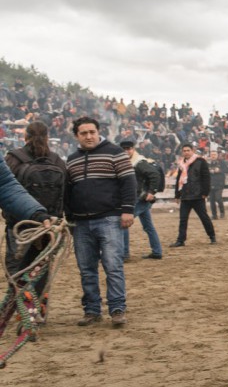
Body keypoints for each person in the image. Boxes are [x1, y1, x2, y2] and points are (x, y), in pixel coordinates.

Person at [65, 116, 136, 327]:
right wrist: (69, 217)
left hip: (109, 219)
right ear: (76, 136)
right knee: (86, 269)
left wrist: (128, 210)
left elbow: (128, 182)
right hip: (81, 223)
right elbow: (68, 191)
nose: (89, 136)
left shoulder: (115, 153)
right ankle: (92, 310)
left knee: (113, 266)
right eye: (83, 133)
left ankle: (117, 309)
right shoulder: (72, 160)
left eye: (92, 132)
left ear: (98, 132)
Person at [3, 121, 66, 288]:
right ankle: (36, 303)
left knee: (16, 270)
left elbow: (7, 189)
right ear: (47, 137)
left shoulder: (13, 159)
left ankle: (17, 302)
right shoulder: (57, 161)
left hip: (19, 226)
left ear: (25, 137)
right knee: (40, 270)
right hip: (49, 225)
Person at [120, 140, 163, 259]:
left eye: (128, 149)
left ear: (133, 149)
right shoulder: (130, 161)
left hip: (139, 198)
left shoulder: (139, 162)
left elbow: (154, 174)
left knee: (124, 222)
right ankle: (157, 252)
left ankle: (124, 254)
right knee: (148, 226)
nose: (126, 151)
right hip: (141, 198)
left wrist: (152, 191)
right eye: (124, 149)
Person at [170, 143, 217, 247]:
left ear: (192, 151)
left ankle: (212, 236)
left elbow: (206, 177)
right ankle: (180, 240)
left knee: (204, 217)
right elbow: (179, 180)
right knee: (183, 219)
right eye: (184, 151)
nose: (186, 152)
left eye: (188, 150)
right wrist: (177, 195)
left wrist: (205, 192)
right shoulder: (181, 163)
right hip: (185, 195)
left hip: (198, 195)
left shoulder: (201, 161)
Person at [207, 150, 227, 220]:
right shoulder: (207, 163)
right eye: (212, 154)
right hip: (210, 183)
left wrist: (219, 170)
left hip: (219, 183)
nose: (213, 156)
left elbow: (227, 169)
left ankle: (222, 212)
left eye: (214, 154)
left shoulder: (222, 162)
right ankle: (214, 215)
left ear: (217, 155)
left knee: (218, 198)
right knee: (212, 200)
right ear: (210, 155)